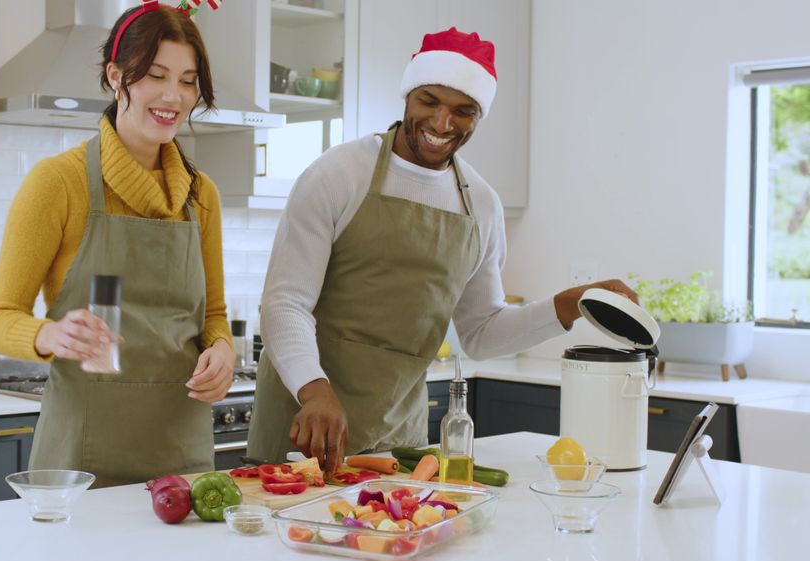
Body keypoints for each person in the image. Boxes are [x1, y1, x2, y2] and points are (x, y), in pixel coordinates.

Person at [247, 27, 639, 470]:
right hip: (305, 418)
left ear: (478, 116)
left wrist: (568, 305)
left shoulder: (482, 206)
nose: (441, 123)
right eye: (429, 101)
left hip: (396, 431)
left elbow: (482, 332)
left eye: (462, 111)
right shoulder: (337, 176)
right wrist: (314, 389)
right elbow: (285, 303)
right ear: (409, 95)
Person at [0, 2, 233, 488]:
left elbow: (213, 317)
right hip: (80, 461)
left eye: (187, 80)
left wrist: (222, 352)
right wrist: (48, 335)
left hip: (181, 457)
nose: (172, 96)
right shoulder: (58, 183)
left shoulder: (201, 195)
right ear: (116, 77)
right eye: (155, 75)